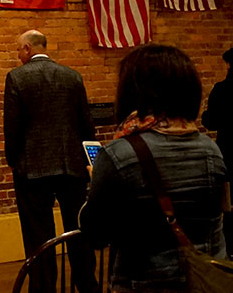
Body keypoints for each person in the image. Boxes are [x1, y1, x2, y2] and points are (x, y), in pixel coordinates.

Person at [80, 44, 227, 292]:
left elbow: (95, 234)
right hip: (204, 281)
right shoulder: (210, 149)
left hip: (142, 283)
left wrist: (96, 183)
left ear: (131, 91)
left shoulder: (118, 154)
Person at [4, 30, 98, 293]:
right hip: (72, 166)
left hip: (32, 169)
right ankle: (87, 285)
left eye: (18, 50)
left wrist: (13, 160)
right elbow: (86, 124)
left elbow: (12, 127)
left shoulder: (17, 77)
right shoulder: (72, 76)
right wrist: (87, 159)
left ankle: (44, 289)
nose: (18, 55)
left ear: (27, 48)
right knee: (79, 230)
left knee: (38, 236)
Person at [202, 46, 233, 248]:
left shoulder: (221, 90)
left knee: (229, 202)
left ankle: (230, 246)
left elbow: (210, 122)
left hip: (229, 150)